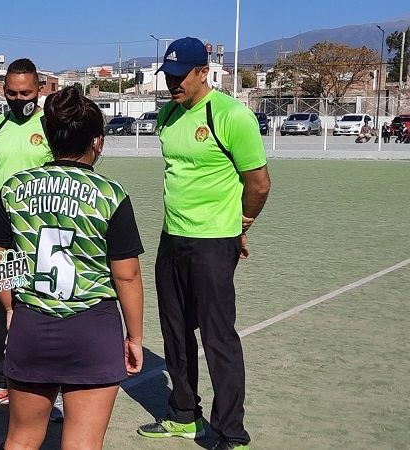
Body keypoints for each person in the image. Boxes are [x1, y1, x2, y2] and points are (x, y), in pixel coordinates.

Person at [0, 86, 145, 450]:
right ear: (97, 142)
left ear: (49, 138)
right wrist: (134, 337)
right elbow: (127, 274)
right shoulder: (111, 194)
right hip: (92, 327)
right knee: (83, 444)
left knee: (21, 440)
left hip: (32, 323)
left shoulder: (14, 187)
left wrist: (10, 306)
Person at [137, 37, 270, 450]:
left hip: (214, 243)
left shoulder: (232, 116)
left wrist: (241, 224)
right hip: (171, 239)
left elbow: (259, 184)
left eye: (180, 76)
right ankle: (183, 415)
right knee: (175, 332)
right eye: (168, 76)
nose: (173, 84)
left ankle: (231, 432)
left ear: (203, 72)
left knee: (217, 337)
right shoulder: (167, 116)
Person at [0, 58, 57, 415]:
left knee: (45, 309)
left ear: (40, 90)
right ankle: (0, 382)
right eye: (11, 93)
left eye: (25, 92)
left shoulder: (52, 126)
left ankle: (54, 392)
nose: (18, 99)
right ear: (2, 91)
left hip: (41, 235)